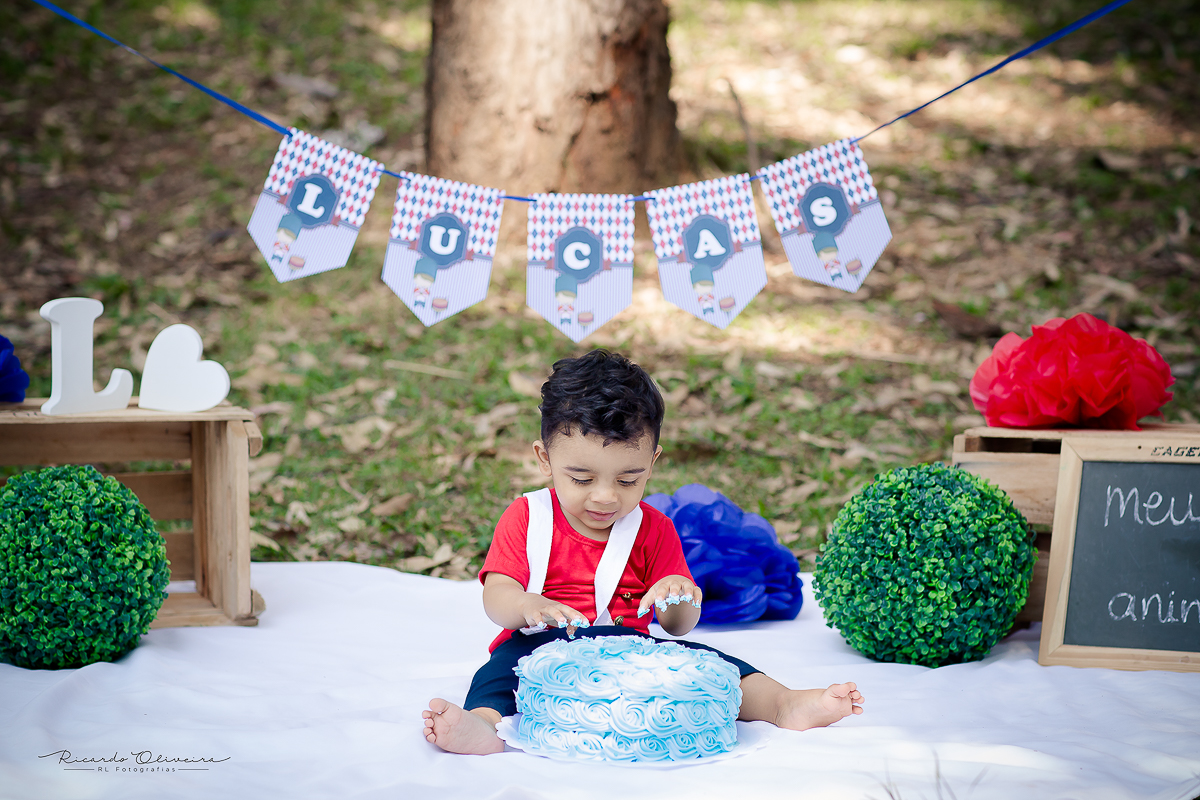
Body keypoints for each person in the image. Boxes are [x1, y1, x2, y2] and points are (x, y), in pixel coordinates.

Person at [422, 350, 864, 755]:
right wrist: (525, 605)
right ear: (544, 459)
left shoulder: (653, 528)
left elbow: (678, 626)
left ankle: (783, 704)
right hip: (538, 644)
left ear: (652, 463)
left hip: (629, 649)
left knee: (719, 666)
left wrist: (678, 596)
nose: (604, 497)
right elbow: (495, 594)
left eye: (628, 479)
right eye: (580, 478)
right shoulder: (527, 516)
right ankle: (482, 726)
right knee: (499, 676)